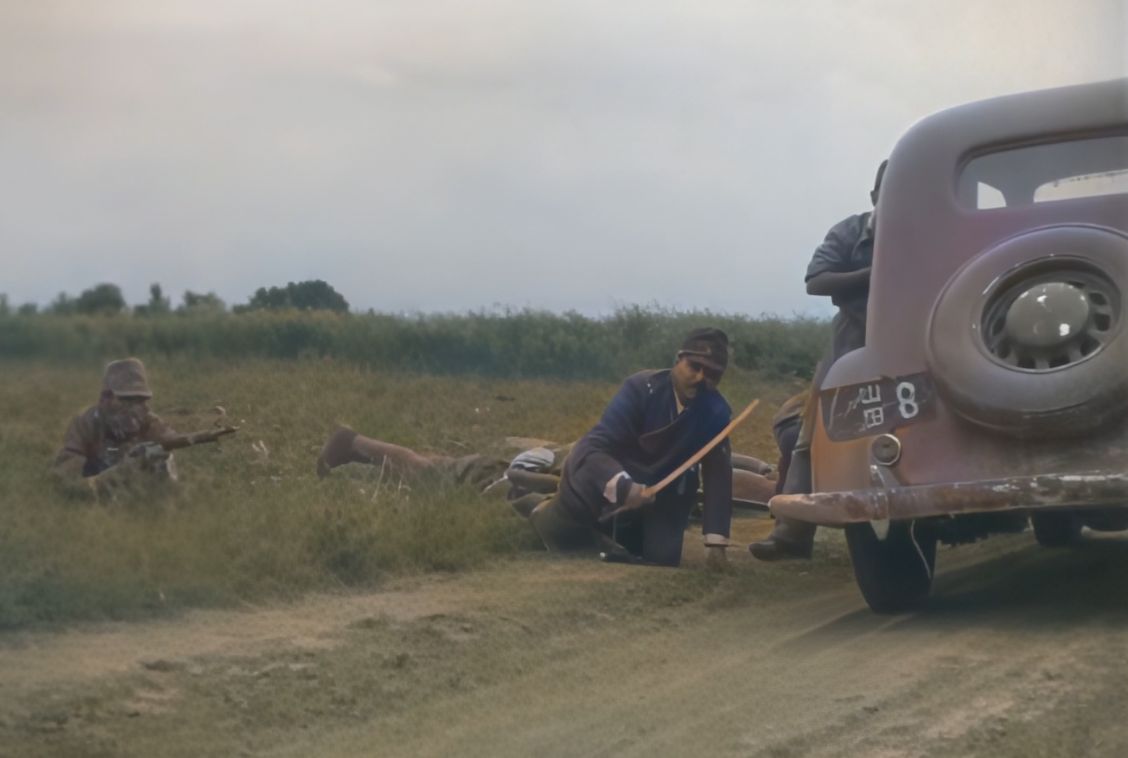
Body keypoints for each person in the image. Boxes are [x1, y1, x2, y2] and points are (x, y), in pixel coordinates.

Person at [750, 160, 887, 561]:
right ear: (875, 196)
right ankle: (793, 531)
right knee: (814, 437)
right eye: (890, 191)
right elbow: (817, 281)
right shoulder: (850, 231)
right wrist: (877, 273)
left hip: (923, 342)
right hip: (852, 346)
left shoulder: (932, 229)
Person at [526, 327, 736, 567]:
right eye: (694, 367)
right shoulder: (640, 388)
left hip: (663, 495)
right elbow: (595, 446)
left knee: (663, 559)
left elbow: (718, 476)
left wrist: (716, 544)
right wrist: (624, 485)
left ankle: (616, 535)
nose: (701, 378)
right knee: (562, 532)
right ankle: (544, 509)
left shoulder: (716, 413)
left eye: (712, 374)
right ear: (678, 360)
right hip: (609, 478)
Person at [53, 358, 179, 497]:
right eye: (127, 400)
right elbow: (67, 476)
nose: (137, 408)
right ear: (105, 398)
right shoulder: (86, 423)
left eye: (140, 400)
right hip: (97, 492)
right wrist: (109, 477)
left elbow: (170, 440)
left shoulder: (148, 421)